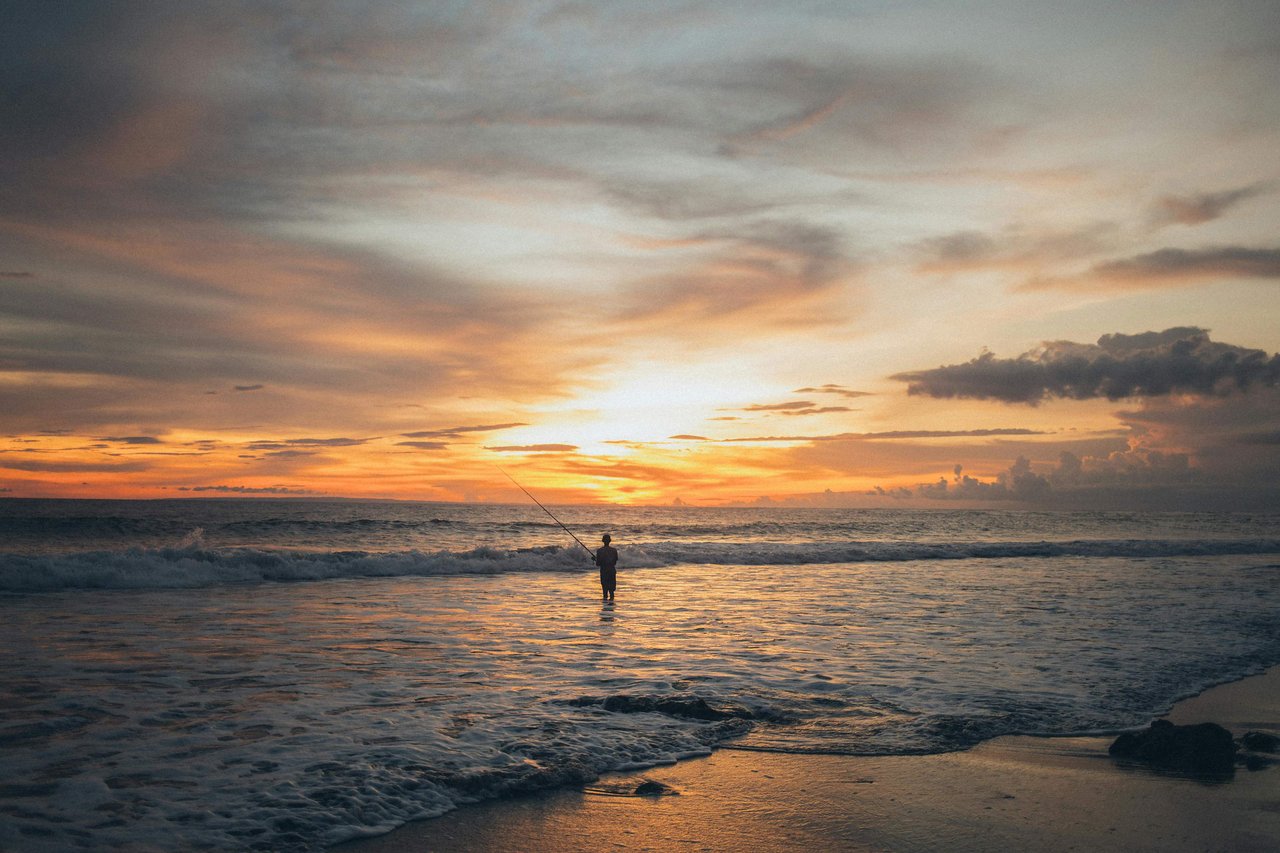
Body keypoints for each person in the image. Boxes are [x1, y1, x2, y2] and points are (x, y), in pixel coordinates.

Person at [594, 534, 618, 600]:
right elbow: (615, 562)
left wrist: (595, 559)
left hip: (604, 571)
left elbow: (598, 564)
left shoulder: (599, 551)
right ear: (610, 541)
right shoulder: (614, 550)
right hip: (612, 571)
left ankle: (605, 606)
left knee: (605, 591)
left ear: (603, 541)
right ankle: (610, 606)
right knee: (612, 591)